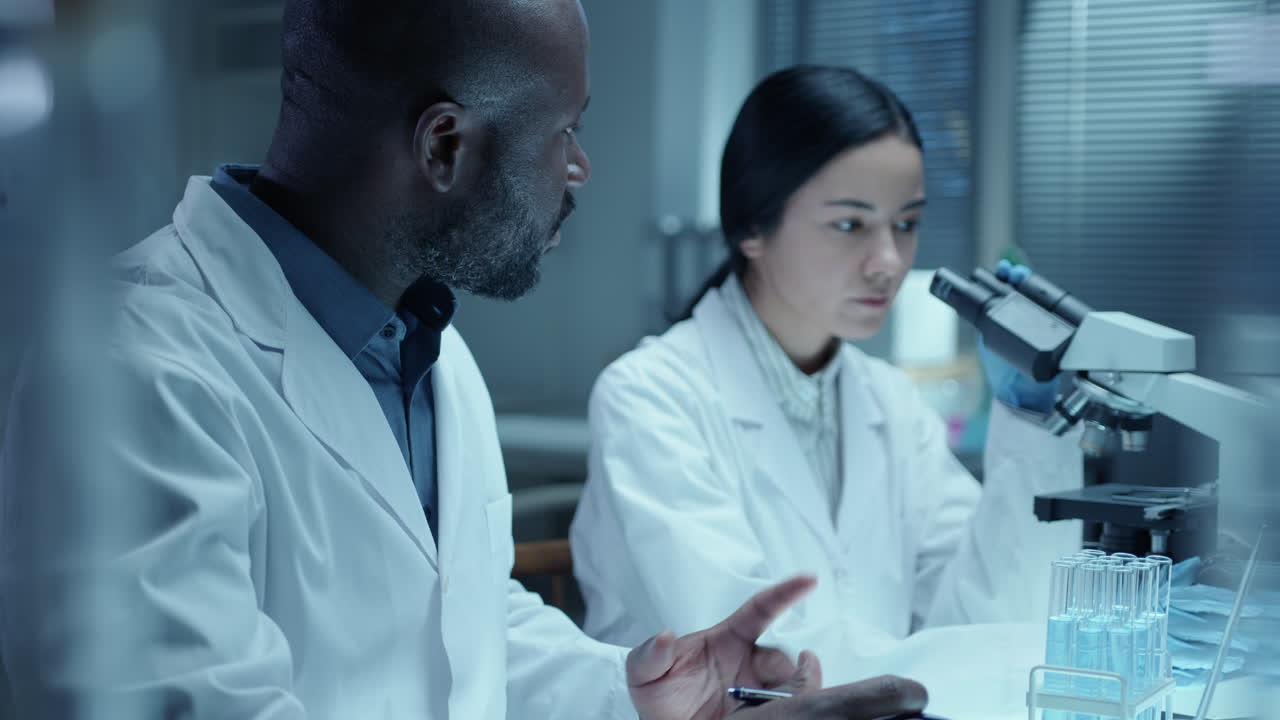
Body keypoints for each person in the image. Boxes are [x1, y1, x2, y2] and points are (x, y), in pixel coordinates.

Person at [0, 5, 929, 720]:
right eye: (564, 130)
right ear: (444, 145)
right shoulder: (143, 370)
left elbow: (469, 634)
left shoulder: (428, 352)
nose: (579, 169)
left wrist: (635, 694)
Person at [569, 65, 1085, 685]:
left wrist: (1032, 427)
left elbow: (996, 620)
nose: (889, 262)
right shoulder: (650, 398)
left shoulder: (890, 405)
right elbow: (769, 667)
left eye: (906, 223)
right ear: (753, 227)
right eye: (850, 224)